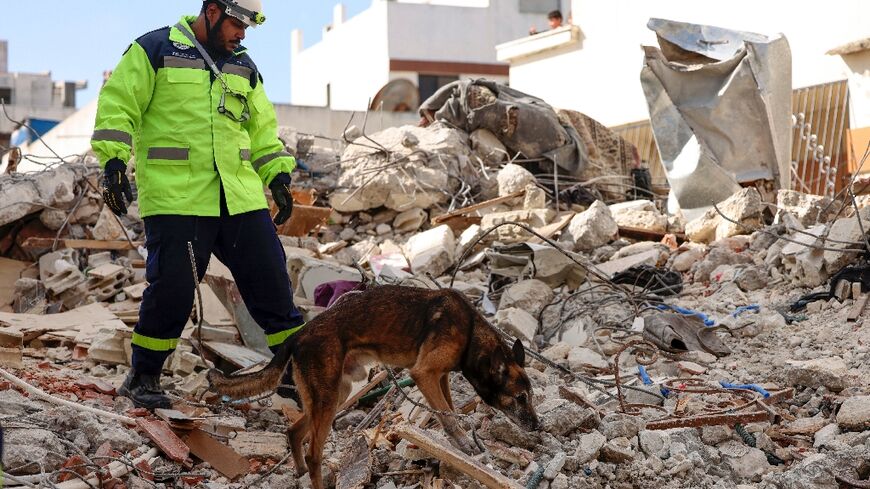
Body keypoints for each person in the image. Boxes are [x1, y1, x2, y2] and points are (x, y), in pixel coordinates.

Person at [91, 0, 305, 409]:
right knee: (172, 289)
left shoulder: (244, 65)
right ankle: (144, 377)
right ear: (210, 10)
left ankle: (296, 373)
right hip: (178, 197)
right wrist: (114, 161)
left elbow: (261, 130)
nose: (241, 34)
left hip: (239, 197)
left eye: (247, 27)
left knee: (273, 285)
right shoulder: (154, 49)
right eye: (235, 23)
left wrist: (277, 175)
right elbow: (118, 105)